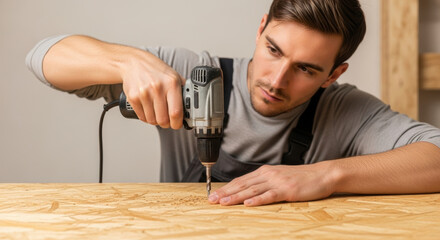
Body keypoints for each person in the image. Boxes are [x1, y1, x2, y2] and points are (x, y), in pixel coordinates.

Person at [26, 0, 440, 207]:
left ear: (334, 74)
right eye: (274, 50)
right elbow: (42, 59)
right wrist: (128, 61)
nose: (276, 80)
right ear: (261, 29)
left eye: (307, 70)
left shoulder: (347, 113)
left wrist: (326, 176)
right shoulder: (194, 73)